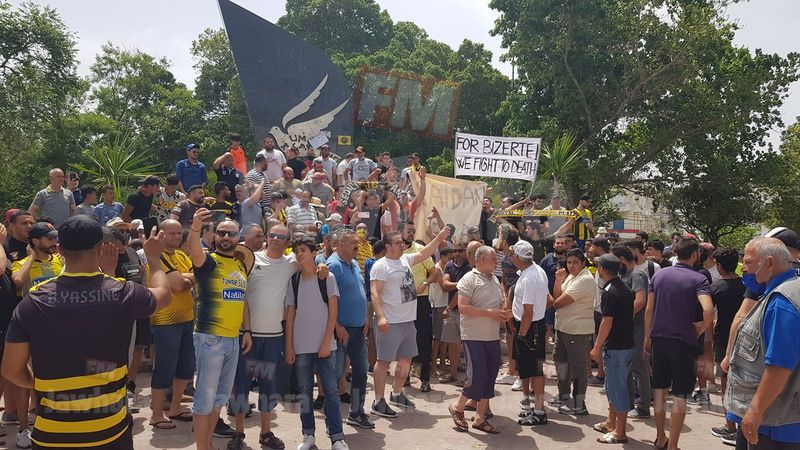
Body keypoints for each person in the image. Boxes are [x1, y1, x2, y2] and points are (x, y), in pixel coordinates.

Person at [2, 215, 171, 449]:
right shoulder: (124, 293)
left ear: (60, 250)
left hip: (53, 434)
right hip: (111, 431)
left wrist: (40, 384)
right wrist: (154, 258)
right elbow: (164, 294)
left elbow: (11, 370)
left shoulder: (34, 301)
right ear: (101, 249)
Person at [185, 209, 252, 450]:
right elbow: (194, 250)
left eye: (231, 234)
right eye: (221, 232)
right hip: (210, 338)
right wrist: (195, 228)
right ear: (214, 236)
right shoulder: (208, 261)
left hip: (233, 339)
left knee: (220, 398)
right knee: (205, 399)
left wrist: (246, 331)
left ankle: (208, 444)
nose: (225, 237)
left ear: (238, 238)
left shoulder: (241, 265)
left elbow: (242, 300)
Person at [724, 237, 800, 449]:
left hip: (774, 424)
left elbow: (779, 365)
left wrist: (755, 410)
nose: (743, 268)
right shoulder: (785, 291)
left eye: (748, 262)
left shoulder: (783, 301)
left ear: (769, 263)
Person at [369, 227, 450, 418]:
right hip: (390, 321)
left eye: (403, 242)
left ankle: (397, 393)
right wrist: (381, 317)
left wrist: (438, 238)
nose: (403, 245)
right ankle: (378, 401)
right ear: (388, 246)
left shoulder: (405, 259)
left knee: (406, 359)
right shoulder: (381, 266)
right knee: (384, 361)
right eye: (398, 242)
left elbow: (423, 253)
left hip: (408, 320)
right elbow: (375, 293)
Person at [644, 238, 713, 450]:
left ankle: (660, 437)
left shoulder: (659, 275)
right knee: (680, 394)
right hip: (684, 343)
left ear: (676, 252)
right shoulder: (699, 279)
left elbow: (649, 309)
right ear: (695, 255)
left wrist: (647, 337)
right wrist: (701, 328)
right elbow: (708, 309)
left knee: (659, 391)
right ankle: (673, 445)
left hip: (659, 339)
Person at [284, 238, 350, 450]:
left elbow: (333, 311)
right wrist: (289, 346)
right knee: (304, 393)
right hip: (301, 346)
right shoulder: (294, 280)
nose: (299, 254)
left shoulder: (326, 277)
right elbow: (290, 315)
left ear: (314, 253)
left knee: (331, 391)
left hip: (325, 346)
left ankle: (337, 437)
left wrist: (326, 342)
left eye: (303, 250)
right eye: (296, 251)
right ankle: (308, 435)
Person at [447, 246, 510, 434]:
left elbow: (500, 304)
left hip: (492, 336)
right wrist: (489, 313)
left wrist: (504, 311)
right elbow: (463, 307)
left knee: (490, 377)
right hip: (473, 336)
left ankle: (480, 418)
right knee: (477, 377)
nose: (497, 262)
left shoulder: (495, 280)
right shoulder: (469, 279)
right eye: (493, 259)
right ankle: (458, 407)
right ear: (481, 259)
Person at [148, 219, 196, 430]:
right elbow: (179, 285)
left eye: (179, 233)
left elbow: (195, 276)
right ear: (161, 234)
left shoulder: (182, 256)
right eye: (172, 233)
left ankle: (175, 407)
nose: (177, 236)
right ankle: (156, 414)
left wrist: (185, 279)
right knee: (164, 368)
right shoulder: (157, 257)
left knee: (186, 367)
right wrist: (186, 279)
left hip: (187, 318)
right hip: (165, 320)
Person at [325, 229, 374, 429]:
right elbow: (326, 300)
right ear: (340, 244)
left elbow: (359, 292)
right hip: (341, 331)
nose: (357, 245)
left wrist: (365, 318)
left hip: (358, 329)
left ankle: (356, 412)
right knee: (335, 376)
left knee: (361, 372)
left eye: (357, 242)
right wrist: (337, 326)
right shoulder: (333, 266)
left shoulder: (353, 263)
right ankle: (331, 421)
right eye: (353, 242)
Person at [590, 254, 635, 444]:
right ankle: (611, 422)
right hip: (625, 345)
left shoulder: (609, 291)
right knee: (613, 386)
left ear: (602, 269)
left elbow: (606, 321)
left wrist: (597, 346)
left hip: (616, 347)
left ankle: (620, 432)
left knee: (618, 389)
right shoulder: (624, 287)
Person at [551, 248, 597, 415]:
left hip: (577, 331)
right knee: (560, 362)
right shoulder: (571, 276)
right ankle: (564, 395)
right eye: (569, 262)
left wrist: (554, 299)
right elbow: (557, 295)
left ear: (583, 263)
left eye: (575, 262)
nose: (571, 265)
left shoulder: (585, 279)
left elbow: (558, 302)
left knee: (578, 367)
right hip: (563, 327)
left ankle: (579, 403)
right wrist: (558, 281)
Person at [707, 247, 745, 444]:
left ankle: (730, 427)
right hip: (746, 338)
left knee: (725, 382)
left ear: (720, 266)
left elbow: (708, 313)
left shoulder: (716, 288)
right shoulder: (747, 286)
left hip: (723, 338)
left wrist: (708, 336)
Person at [510, 240, 550, 427]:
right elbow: (547, 299)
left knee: (535, 371)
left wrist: (521, 334)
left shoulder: (529, 277)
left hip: (529, 327)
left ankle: (539, 412)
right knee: (533, 370)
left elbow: (528, 311)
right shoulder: (537, 271)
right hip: (534, 325)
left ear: (518, 258)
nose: (511, 257)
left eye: (513, 255)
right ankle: (537, 409)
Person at [610, 244, 651, 419]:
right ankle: (628, 403)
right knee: (626, 367)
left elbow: (640, 301)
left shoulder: (637, 275)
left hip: (637, 328)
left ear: (621, 259)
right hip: (626, 328)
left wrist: (622, 317)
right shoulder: (622, 275)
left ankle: (643, 406)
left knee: (639, 367)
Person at [401, 223, 436, 393]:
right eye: (408, 230)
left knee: (423, 339)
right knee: (404, 339)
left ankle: (425, 379)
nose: (411, 233)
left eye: (413, 231)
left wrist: (426, 283)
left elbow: (434, 272)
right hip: (403, 300)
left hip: (421, 300)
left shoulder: (420, 250)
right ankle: (404, 377)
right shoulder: (395, 251)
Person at [439, 241, 470, 384]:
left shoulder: (469, 267)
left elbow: (461, 292)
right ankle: (453, 374)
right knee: (452, 344)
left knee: (469, 345)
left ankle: (469, 378)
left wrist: (449, 307)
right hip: (452, 311)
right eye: (455, 251)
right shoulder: (449, 265)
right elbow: (445, 285)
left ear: (466, 251)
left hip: (465, 311)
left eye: (460, 250)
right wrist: (462, 284)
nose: (457, 253)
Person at [10, 222, 63, 297]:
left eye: (55, 238)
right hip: (35, 304)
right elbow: (18, 280)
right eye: (50, 239)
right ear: (36, 241)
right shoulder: (22, 264)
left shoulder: (60, 259)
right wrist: (31, 257)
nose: (54, 243)